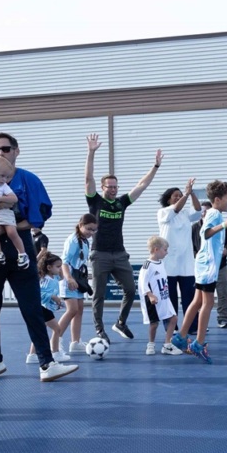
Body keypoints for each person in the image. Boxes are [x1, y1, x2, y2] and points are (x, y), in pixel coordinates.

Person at [0, 132, 78, 383]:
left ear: (16, 150)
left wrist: (11, 221)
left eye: (5, 148)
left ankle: (46, 363)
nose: (0, 153)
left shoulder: (29, 180)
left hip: (20, 246)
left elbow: (40, 217)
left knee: (32, 306)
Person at [83, 133, 163, 343]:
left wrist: (155, 167)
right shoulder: (95, 202)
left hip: (119, 254)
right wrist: (91, 153)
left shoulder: (121, 203)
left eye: (115, 186)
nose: (113, 189)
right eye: (109, 186)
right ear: (102, 188)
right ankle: (99, 330)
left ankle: (120, 322)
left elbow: (142, 185)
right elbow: (88, 179)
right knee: (99, 294)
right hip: (99, 253)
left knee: (130, 289)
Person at [170, 180, 227, 363]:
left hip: (204, 263)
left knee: (197, 300)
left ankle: (180, 336)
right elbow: (206, 233)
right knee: (207, 303)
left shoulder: (213, 213)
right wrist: (225, 225)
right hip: (208, 265)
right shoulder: (215, 214)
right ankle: (198, 344)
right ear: (217, 199)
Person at [157, 179, 203, 335]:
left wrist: (192, 193)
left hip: (186, 262)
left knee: (189, 297)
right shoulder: (164, 212)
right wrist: (186, 194)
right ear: (169, 199)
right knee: (170, 298)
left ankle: (191, 326)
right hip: (168, 262)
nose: (178, 198)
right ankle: (172, 327)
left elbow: (197, 210)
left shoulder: (185, 213)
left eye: (180, 195)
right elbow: (176, 208)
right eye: (175, 196)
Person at [192, 200, 227, 329]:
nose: (205, 213)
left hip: (219, 265)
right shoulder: (195, 227)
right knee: (200, 300)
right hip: (204, 266)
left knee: (221, 293)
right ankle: (196, 327)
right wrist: (195, 253)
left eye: (207, 211)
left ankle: (222, 318)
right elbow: (204, 235)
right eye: (202, 212)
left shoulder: (219, 222)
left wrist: (226, 249)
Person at [58, 213, 97, 354]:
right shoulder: (73, 240)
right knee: (72, 310)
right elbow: (65, 261)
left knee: (79, 309)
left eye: (94, 230)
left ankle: (75, 342)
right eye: (88, 229)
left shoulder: (85, 240)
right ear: (80, 225)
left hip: (79, 279)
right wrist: (68, 278)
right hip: (70, 280)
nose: (91, 233)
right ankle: (56, 342)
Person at [138, 236, 182, 356]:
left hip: (164, 297)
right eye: (165, 250)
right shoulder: (147, 265)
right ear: (156, 249)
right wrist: (150, 295)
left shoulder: (161, 263)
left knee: (173, 318)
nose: (166, 252)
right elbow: (142, 282)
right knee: (154, 323)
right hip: (153, 300)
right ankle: (151, 344)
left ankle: (167, 345)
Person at [25, 250, 69, 364]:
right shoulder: (45, 280)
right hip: (42, 308)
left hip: (45, 309)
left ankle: (32, 355)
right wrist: (54, 297)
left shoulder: (52, 278)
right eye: (58, 267)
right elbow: (40, 293)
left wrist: (60, 271)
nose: (60, 269)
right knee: (57, 329)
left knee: (40, 331)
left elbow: (61, 278)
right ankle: (55, 352)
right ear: (49, 267)